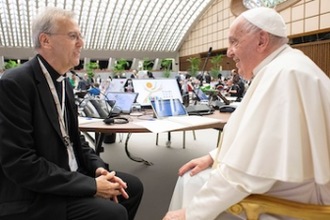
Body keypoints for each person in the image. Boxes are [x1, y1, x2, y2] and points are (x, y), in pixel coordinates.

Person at [163, 7, 330, 220]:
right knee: (193, 176)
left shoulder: (283, 74)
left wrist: (190, 214)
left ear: (261, 40)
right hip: (288, 186)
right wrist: (213, 157)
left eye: (234, 42)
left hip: (292, 202)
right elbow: (262, 141)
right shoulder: (286, 66)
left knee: (191, 181)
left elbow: (245, 173)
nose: (229, 52)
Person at [0, 7, 143, 220]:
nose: (81, 43)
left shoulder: (64, 83)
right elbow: (21, 163)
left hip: (68, 174)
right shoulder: (14, 84)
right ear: (45, 41)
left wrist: (97, 170)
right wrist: (91, 186)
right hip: (37, 194)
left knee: (133, 188)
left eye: (80, 36)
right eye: (72, 36)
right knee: (113, 213)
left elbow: (76, 140)